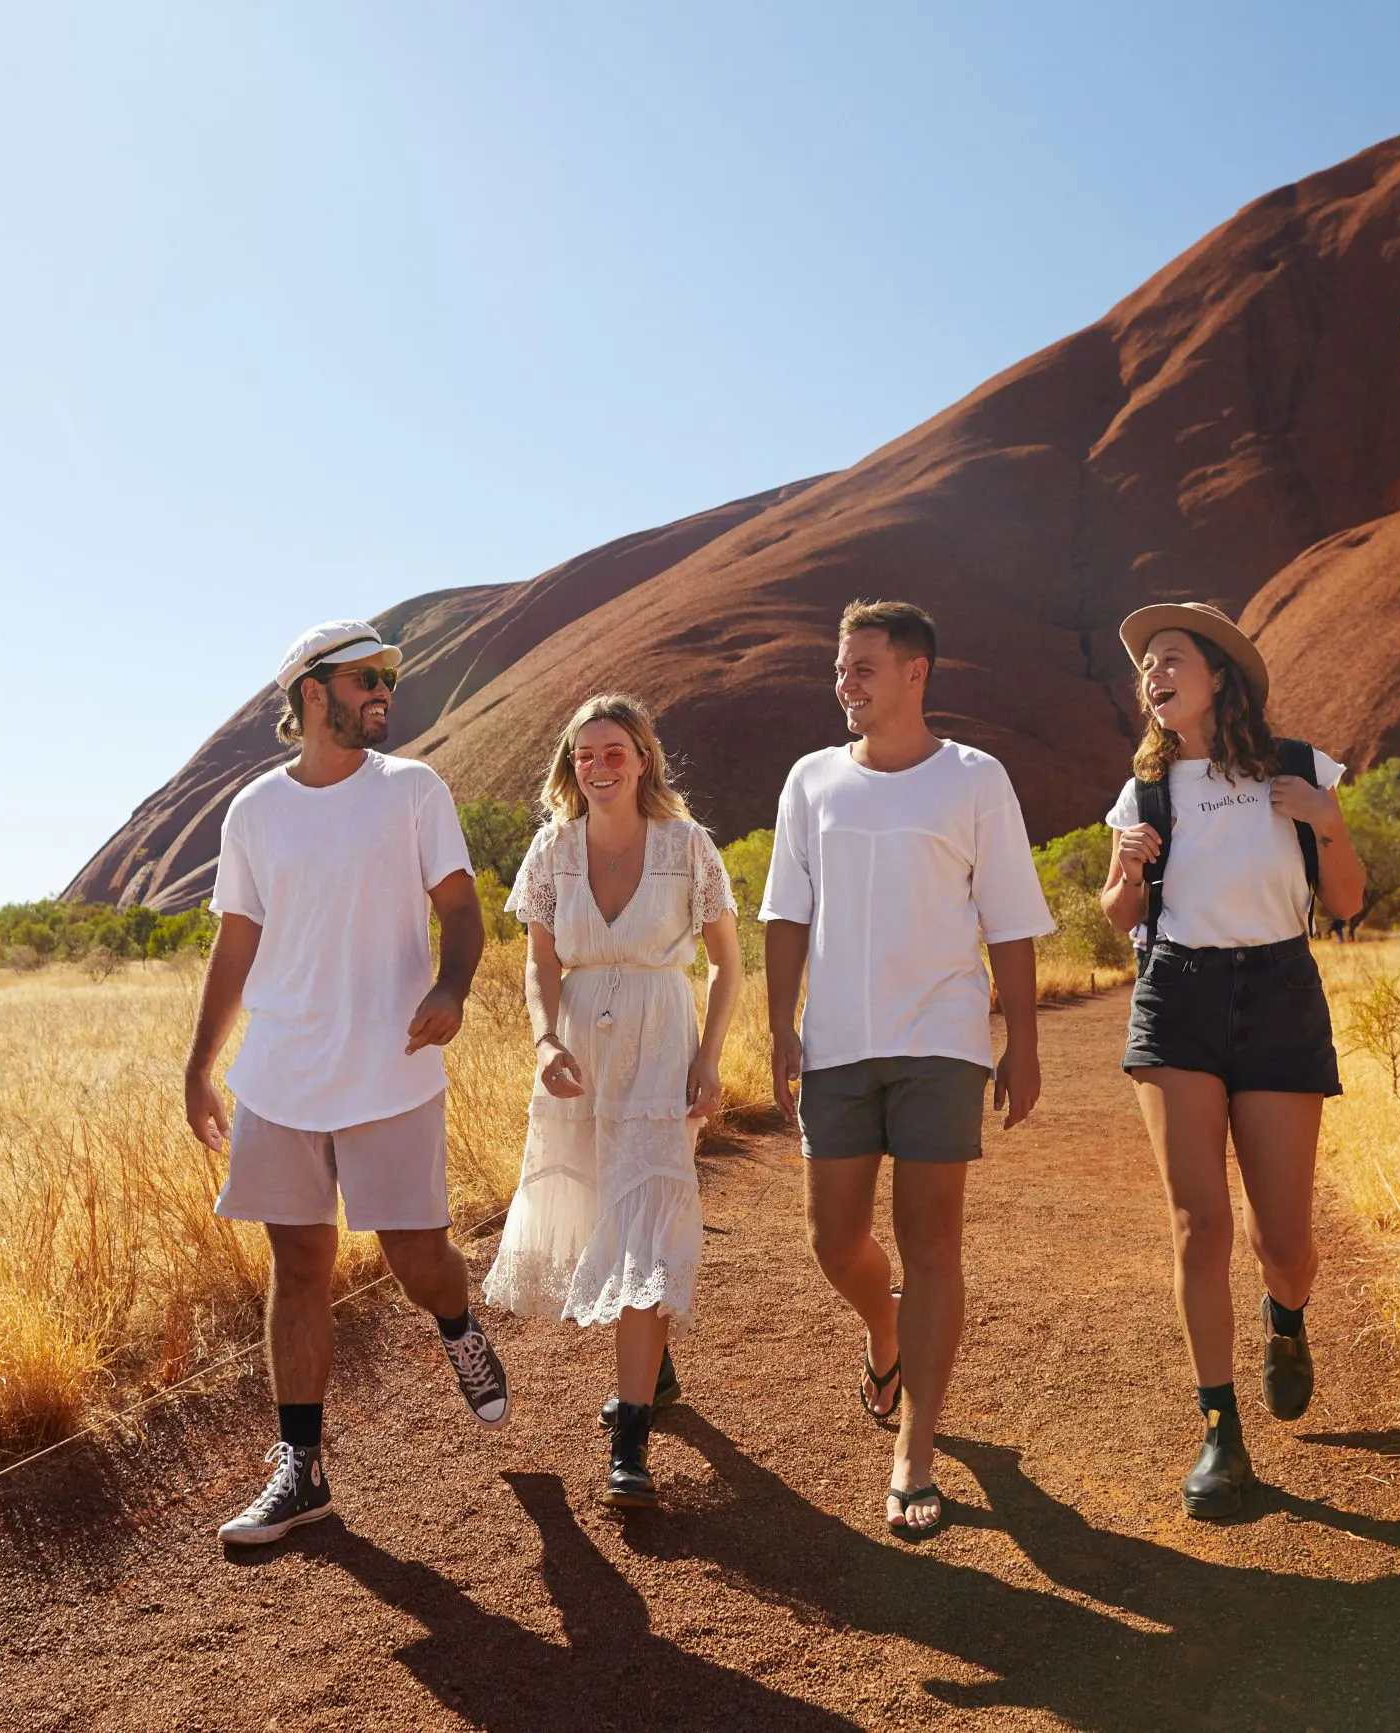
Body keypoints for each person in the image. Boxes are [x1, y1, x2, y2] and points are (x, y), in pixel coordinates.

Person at [186, 619, 510, 1547]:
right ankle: (302, 1468)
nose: (383, 692)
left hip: (392, 1067)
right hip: (281, 1074)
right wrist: (201, 1064)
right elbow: (235, 939)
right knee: (300, 1266)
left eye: (388, 679)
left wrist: (451, 986)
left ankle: (457, 1322)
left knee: (417, 1261)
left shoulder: (413, 789)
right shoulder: (252, 810)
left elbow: (459, 907)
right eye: (366, 677)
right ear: (311, 692)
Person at [760, 598, 1056, 1542]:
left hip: (943, 1041)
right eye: (841, 670)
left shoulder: (974, 779)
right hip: (837, 1042)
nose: (844, 685)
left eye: (862, 669)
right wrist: (777, 1030)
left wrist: (1026, 1041)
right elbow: (784, 915)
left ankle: (915, 1452)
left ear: (915, 673)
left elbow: (1009, 915)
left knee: (933, 1245)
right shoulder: (811, 780)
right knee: (831, 1240)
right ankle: (885, 1331)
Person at [1097, 601, 1366, 1519]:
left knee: (1280, 1241)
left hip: (1282, 992)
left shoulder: (1297, 769)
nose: (1154, 675)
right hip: (1179, 997)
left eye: (1171, 659)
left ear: (1218, 675)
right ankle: (1221, 1429)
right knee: (1198, 1224)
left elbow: (1349, 901)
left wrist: (1327, 823)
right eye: (1146, 668)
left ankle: (1285, 1317)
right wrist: (1127, 871)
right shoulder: (1146, 790)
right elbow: (1120, 917)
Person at [483, 694, 742, 1511]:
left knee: (647, 1216)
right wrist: (544, 1040)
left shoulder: (686, 845)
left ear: (643, 758)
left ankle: (628, 1436)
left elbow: (729, 965)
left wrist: (708, 1058)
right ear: (571, 766)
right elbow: (540, 966)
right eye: (584, 755)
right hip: (578, 1057)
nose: (599, 768)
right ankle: (653, 1371)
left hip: (662, 1045)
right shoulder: (552, 850)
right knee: (605, 1207)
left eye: (614, 752)